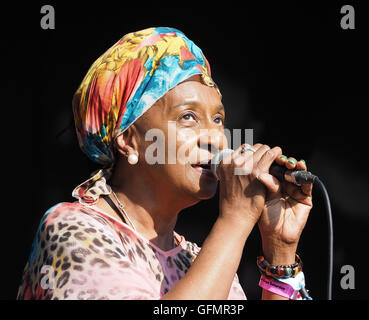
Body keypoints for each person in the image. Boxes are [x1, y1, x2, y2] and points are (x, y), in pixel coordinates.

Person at [17, 27, 313, 300]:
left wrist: (280, 250)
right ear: (128, 139)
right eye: (188, 117)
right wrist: (234, 220)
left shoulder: (198, 261)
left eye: (219, 119)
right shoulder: (73, 230)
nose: (216, 139)